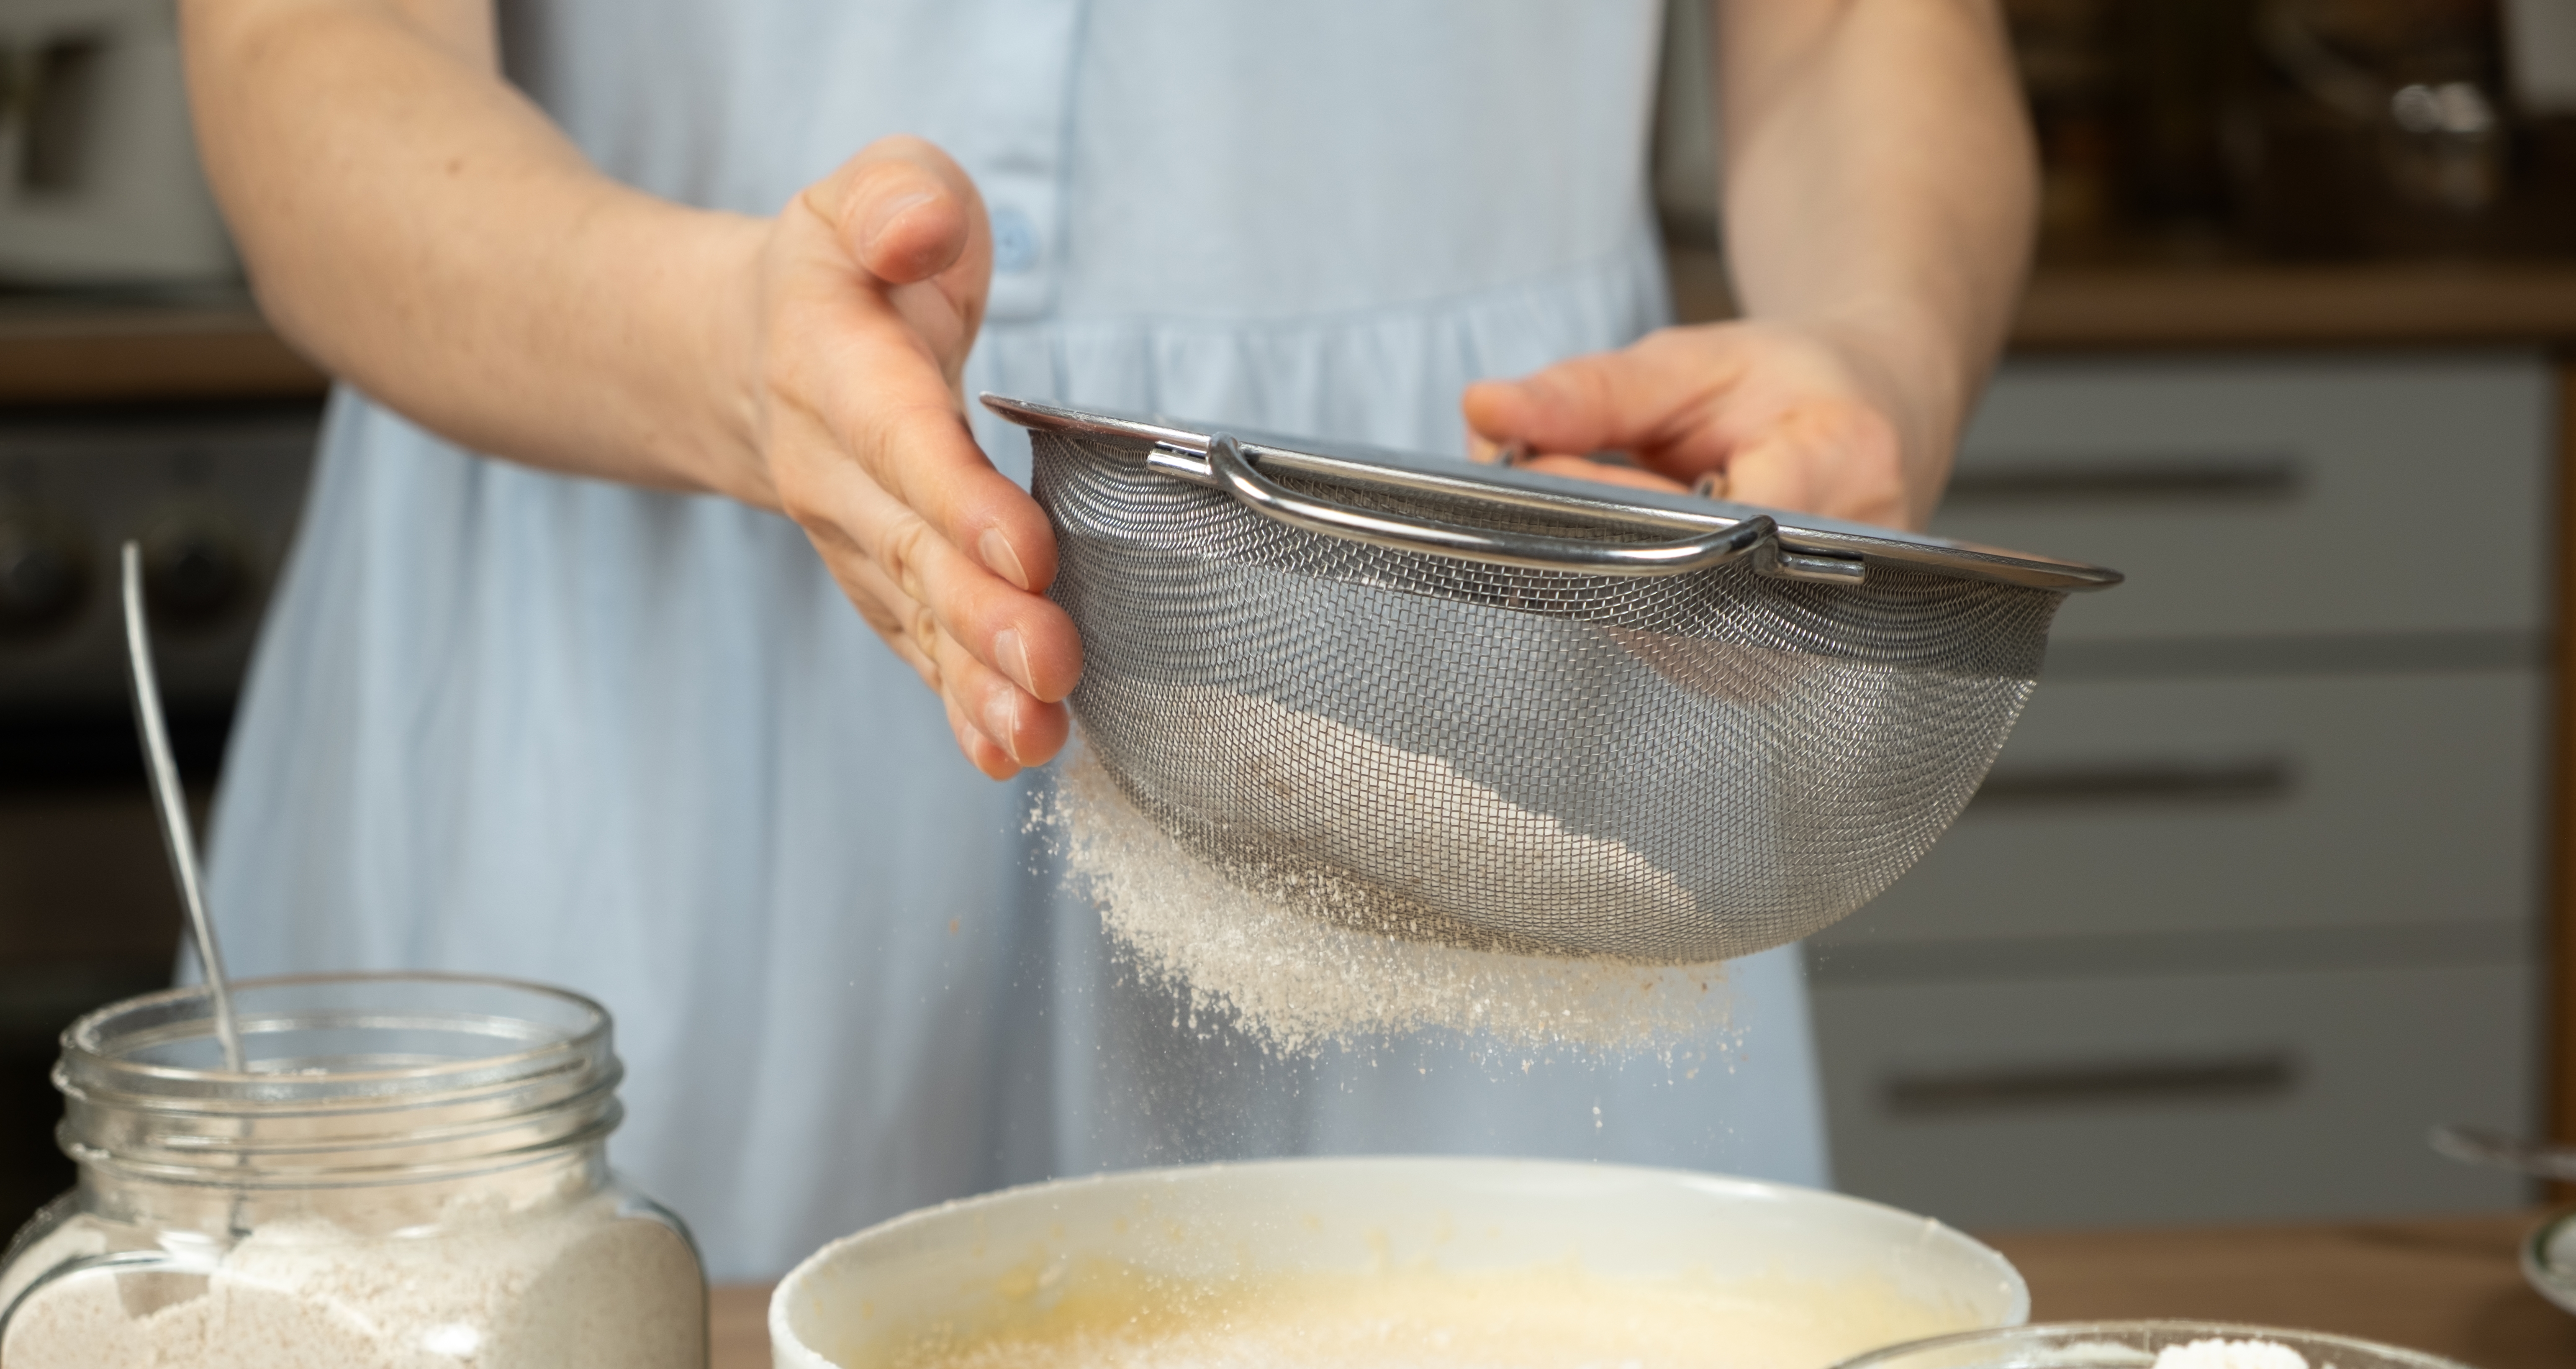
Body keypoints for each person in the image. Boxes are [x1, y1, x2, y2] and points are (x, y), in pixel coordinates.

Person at [178, 0, 2036, 1279]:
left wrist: (1882, 339)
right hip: (630, 622)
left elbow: (1862, 32)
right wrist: (722, 357)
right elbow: (304, 48)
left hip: (1475, 632)